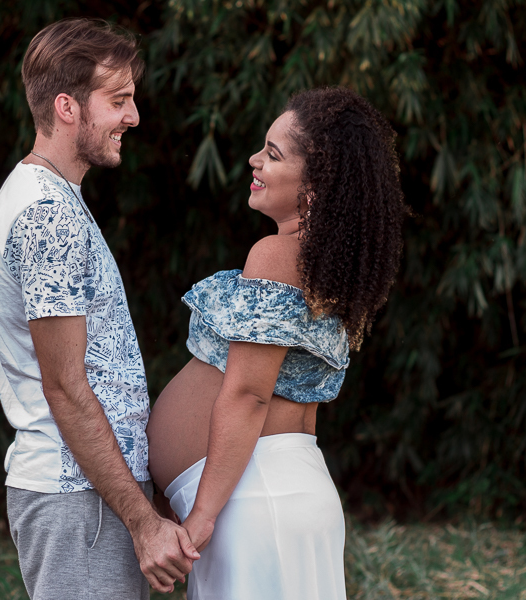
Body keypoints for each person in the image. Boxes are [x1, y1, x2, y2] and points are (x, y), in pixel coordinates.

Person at [146, 86, 407, 599]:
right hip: (273, 492)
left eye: (273, 152)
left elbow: (249, 394)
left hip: (253, 500)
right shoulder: (319, 265)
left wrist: (201, 513)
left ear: (316, 183)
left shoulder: (276, 256)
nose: (254, 159)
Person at [0, 18, 197, 599]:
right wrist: (143, 521)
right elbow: (67, 389)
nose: (134, 116)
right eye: (119, 100)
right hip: (77, 500)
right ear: (67, 107)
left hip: (92, 498)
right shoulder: (46, 214)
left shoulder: (53, 197)